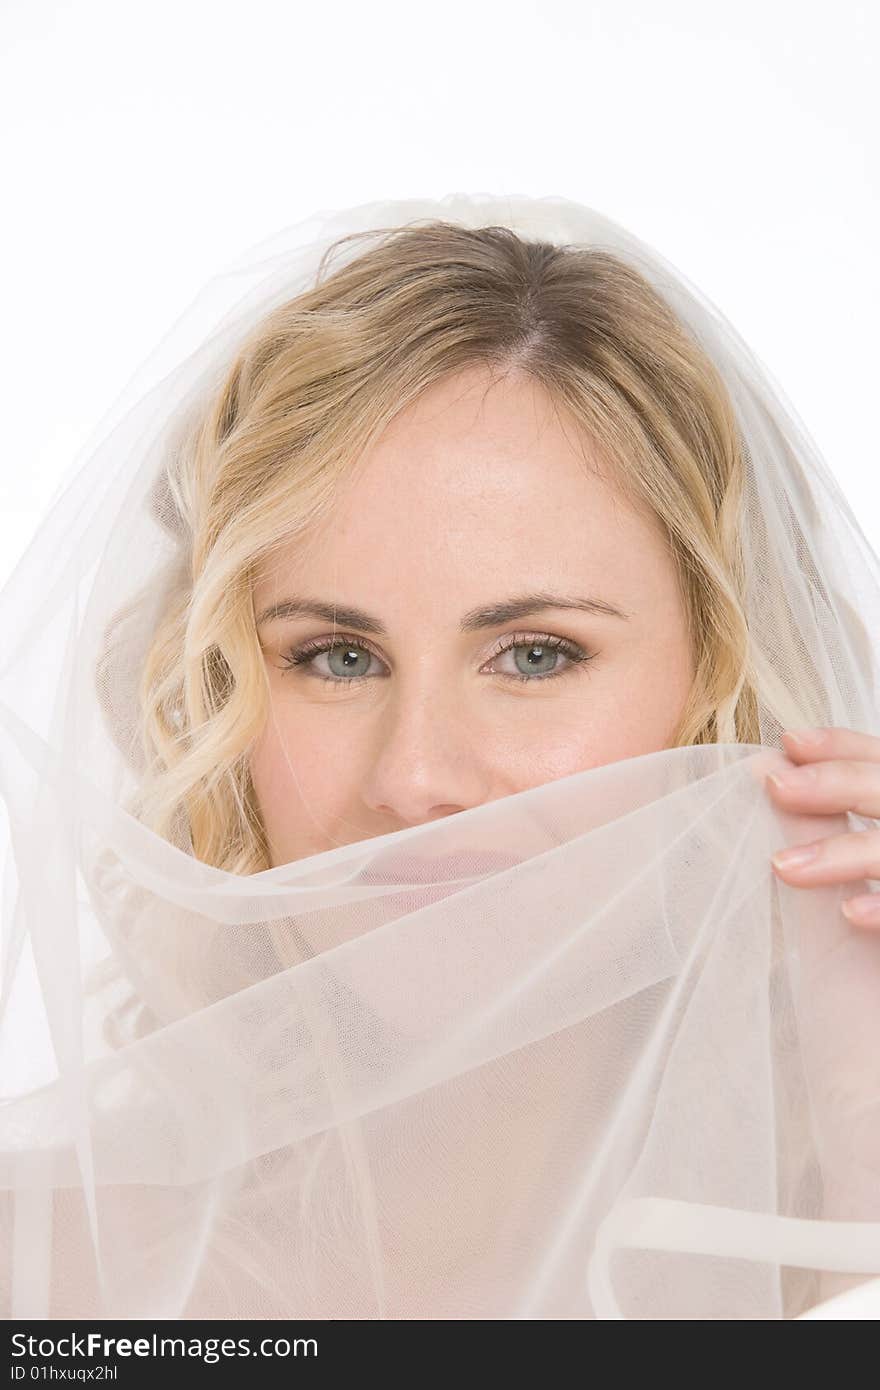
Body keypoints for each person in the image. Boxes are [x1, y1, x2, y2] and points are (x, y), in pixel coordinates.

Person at [2, 193, 880, 1320]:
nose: (415, 777)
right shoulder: (45, 1269)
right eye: (334, 656)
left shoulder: (844, 1231)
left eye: (534, 655)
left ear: (722, 688)